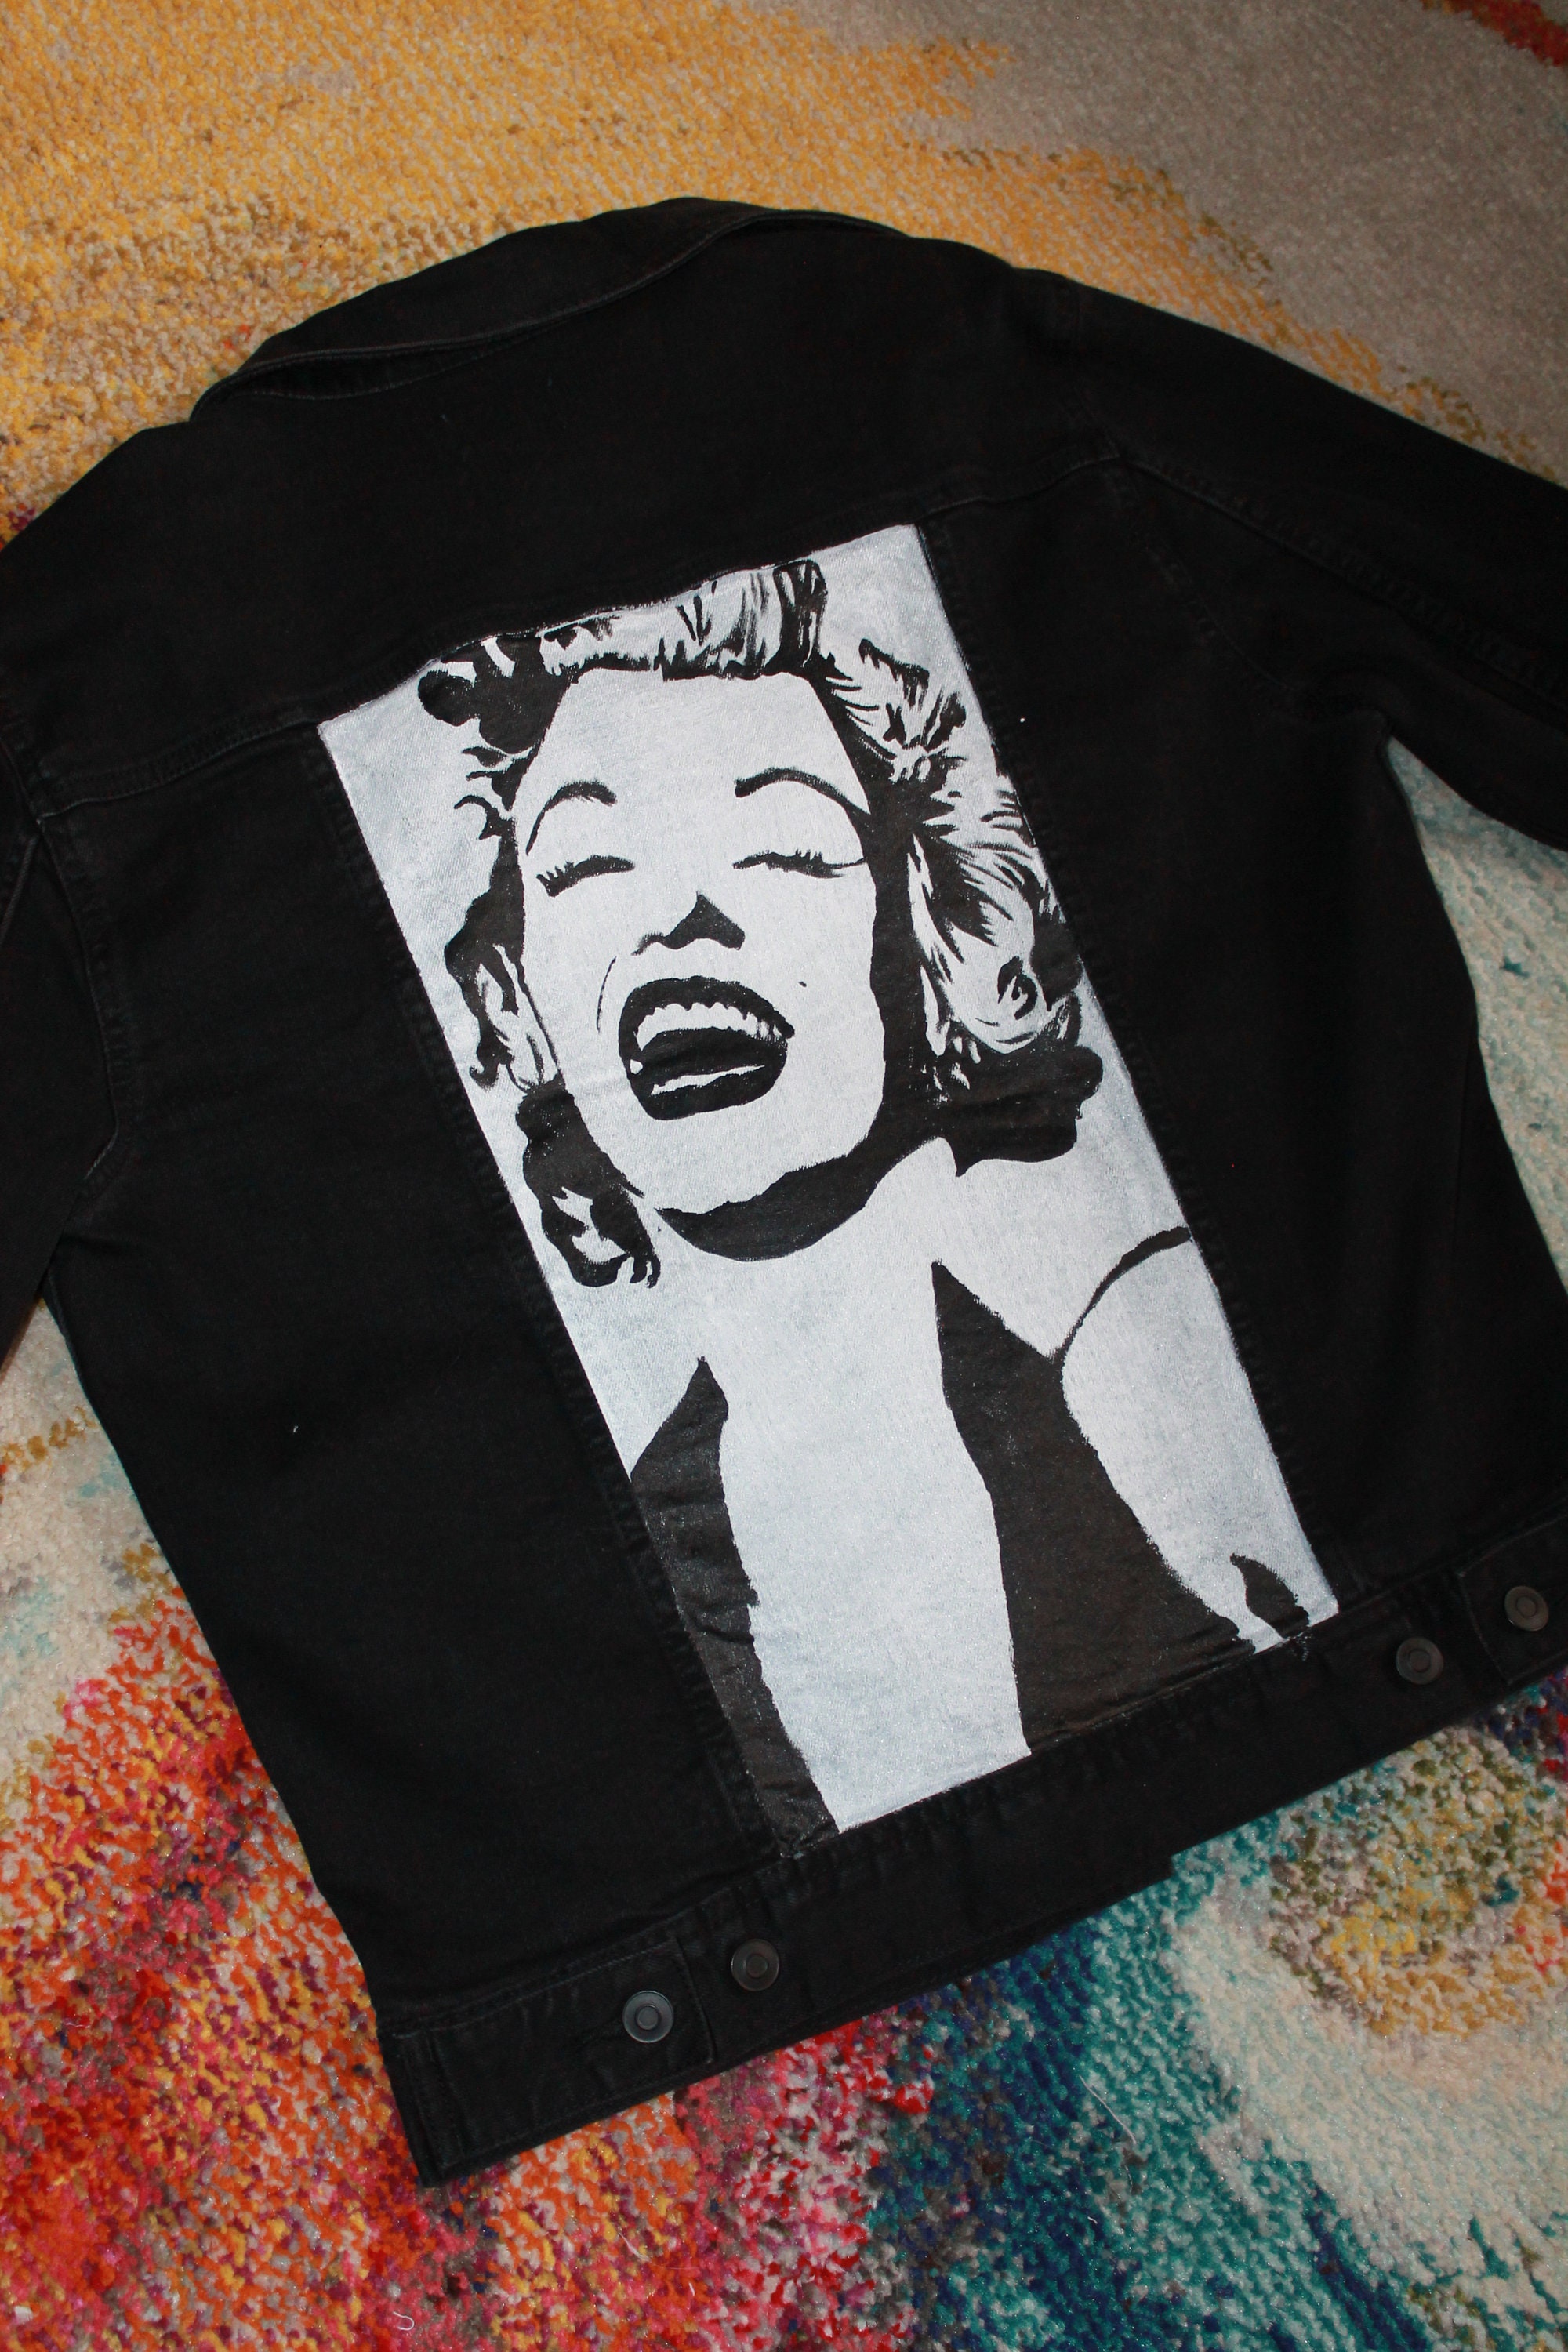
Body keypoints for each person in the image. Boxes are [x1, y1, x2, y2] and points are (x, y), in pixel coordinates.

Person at [418, 527, 1335, 1846]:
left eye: (787, 850)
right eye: (584, 869)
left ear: (935, 931)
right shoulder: (615, 1532)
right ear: (519, 992)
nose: (681, 917)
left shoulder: (1147, 1344)